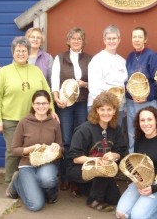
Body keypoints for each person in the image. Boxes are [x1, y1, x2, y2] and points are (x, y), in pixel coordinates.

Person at [0, 36, 54, 183]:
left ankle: (28, 182)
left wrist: (52, 111)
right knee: (13, 151)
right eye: (18, 50)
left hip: (33, 119)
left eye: (24, 50)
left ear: (28, 52)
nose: (21, 53)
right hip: (10, 119)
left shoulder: (36, 71)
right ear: (12, 53)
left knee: (32, 151)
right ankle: (10, 182)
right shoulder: (4, 72)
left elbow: (46, 92)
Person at [116, 106, 157, 219]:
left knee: (138, 216)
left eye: (149, 119)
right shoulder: (139, 140)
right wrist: (138, 181)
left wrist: (154, 188)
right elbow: (137, 167)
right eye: (142, 120)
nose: (146, 123)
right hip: (143, 183)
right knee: (121, 213)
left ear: (156, 120)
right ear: (138, 122)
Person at [67, 91, 127, 212]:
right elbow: (75, 157)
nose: (106, 113)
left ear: (114, 110)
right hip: (79, 168)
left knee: (114, 199)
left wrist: (114, 155)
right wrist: (96, 160)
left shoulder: (116, 129)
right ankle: (93, 200)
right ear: (97, 110)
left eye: (109, 109)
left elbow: (121, 150)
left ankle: (84, 187)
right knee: (102, 169)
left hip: (103, 170)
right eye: (102, 109)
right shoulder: (84, 129)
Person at [6, 90, 64, 211]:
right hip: (27, 165)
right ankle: (17, 181)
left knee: (47, 179)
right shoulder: (24, 122)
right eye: (37, 103)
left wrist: (57, 148)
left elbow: (61, 147)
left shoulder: (54, 123)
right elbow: (14, 149)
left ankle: (50, 195)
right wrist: (30, 149)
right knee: (36, 205)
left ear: (49, 104)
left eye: (44, 103)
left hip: (47, 164)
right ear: (32, 104)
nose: (41, 106)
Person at [51, 27, 92, 195]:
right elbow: (54, 80)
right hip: (65, 103)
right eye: (73, 38)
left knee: (80, 138)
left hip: (82, 102)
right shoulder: (59, 58)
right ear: (68, 41)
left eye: (79, 38)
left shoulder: (90, 59)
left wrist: (85, 84)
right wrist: (55, 97)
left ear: (83, 41)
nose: (76, 41)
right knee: (66, 139)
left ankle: (78, 178)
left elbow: (94, 81)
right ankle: (66, 176)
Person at [126, 26, 157, 153]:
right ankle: (133, 157)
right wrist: (130, 95)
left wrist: (147, 97)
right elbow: (128, 81)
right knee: (132, 133)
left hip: (147, 102)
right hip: (131, 102)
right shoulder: (130, 57)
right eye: (134, 37)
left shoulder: (152, 55)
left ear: (145, 39)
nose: (136, 39)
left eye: (140, 37)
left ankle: (150, 158)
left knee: (148, 131)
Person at [88, 24, 128, 127]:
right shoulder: (97, 59)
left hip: (118, 108)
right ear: (104, 40)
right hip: (100, 107)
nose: (111, 41)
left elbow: (124, 85)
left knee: (114, 140)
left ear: (119, 40)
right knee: (99, 140)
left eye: (114, 38)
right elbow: (94, 87)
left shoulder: (122, 61)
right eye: (109, 38)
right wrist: (105, 108)